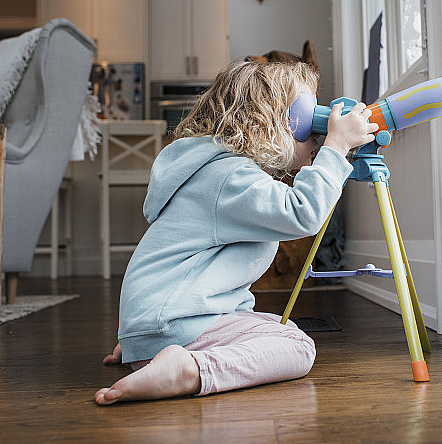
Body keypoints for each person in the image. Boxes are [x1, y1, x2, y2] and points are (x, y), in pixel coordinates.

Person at [95, 59, 377, 405]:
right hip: (175, 322)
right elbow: (303, 213)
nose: (315, 136)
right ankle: (190, 369)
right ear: (268, 123)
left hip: (161, 318)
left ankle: (148, 347)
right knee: (297, 346)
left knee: (278, 326)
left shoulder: (213, 171)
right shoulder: (230, 178)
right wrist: (335, 148)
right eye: (306, 122)